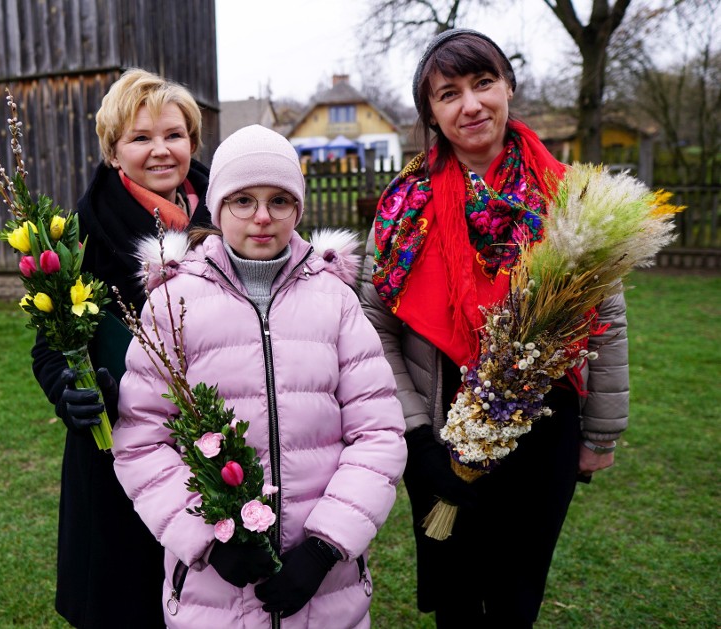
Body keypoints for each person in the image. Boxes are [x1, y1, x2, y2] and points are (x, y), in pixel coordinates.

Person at [359, 29, 629, 627]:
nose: (471, 104)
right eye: (448, 93)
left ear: (508, 87)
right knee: (455, 601)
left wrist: (601, 434)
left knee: (515, 598)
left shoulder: (571, 197)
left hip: (544, 429)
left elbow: (605, 315)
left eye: (483, 83)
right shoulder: (404, 204)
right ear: (430, 112)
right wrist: (416, 437)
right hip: (439, 432)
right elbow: (373, 325)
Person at [111, 125, 407, 628]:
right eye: (243, 200)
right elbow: (141, 440)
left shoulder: (335, 302)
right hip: (214, 597)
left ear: (300, 208)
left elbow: (377, 433)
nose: (263, 217)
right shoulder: (173, 304)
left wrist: (324, 548)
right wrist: (207, 538)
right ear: (218, 208)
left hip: (326, 591)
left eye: (280, 200)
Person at [31, 68, 212, 628]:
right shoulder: (76, 235)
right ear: (114, 152)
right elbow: (51, 347)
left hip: (216, 441)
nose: (160, 151)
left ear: (192, 143)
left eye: (173, 135)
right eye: (140, 138)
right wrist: (70, 392)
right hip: (117, 455)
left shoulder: (228, 213)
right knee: (130, 606)